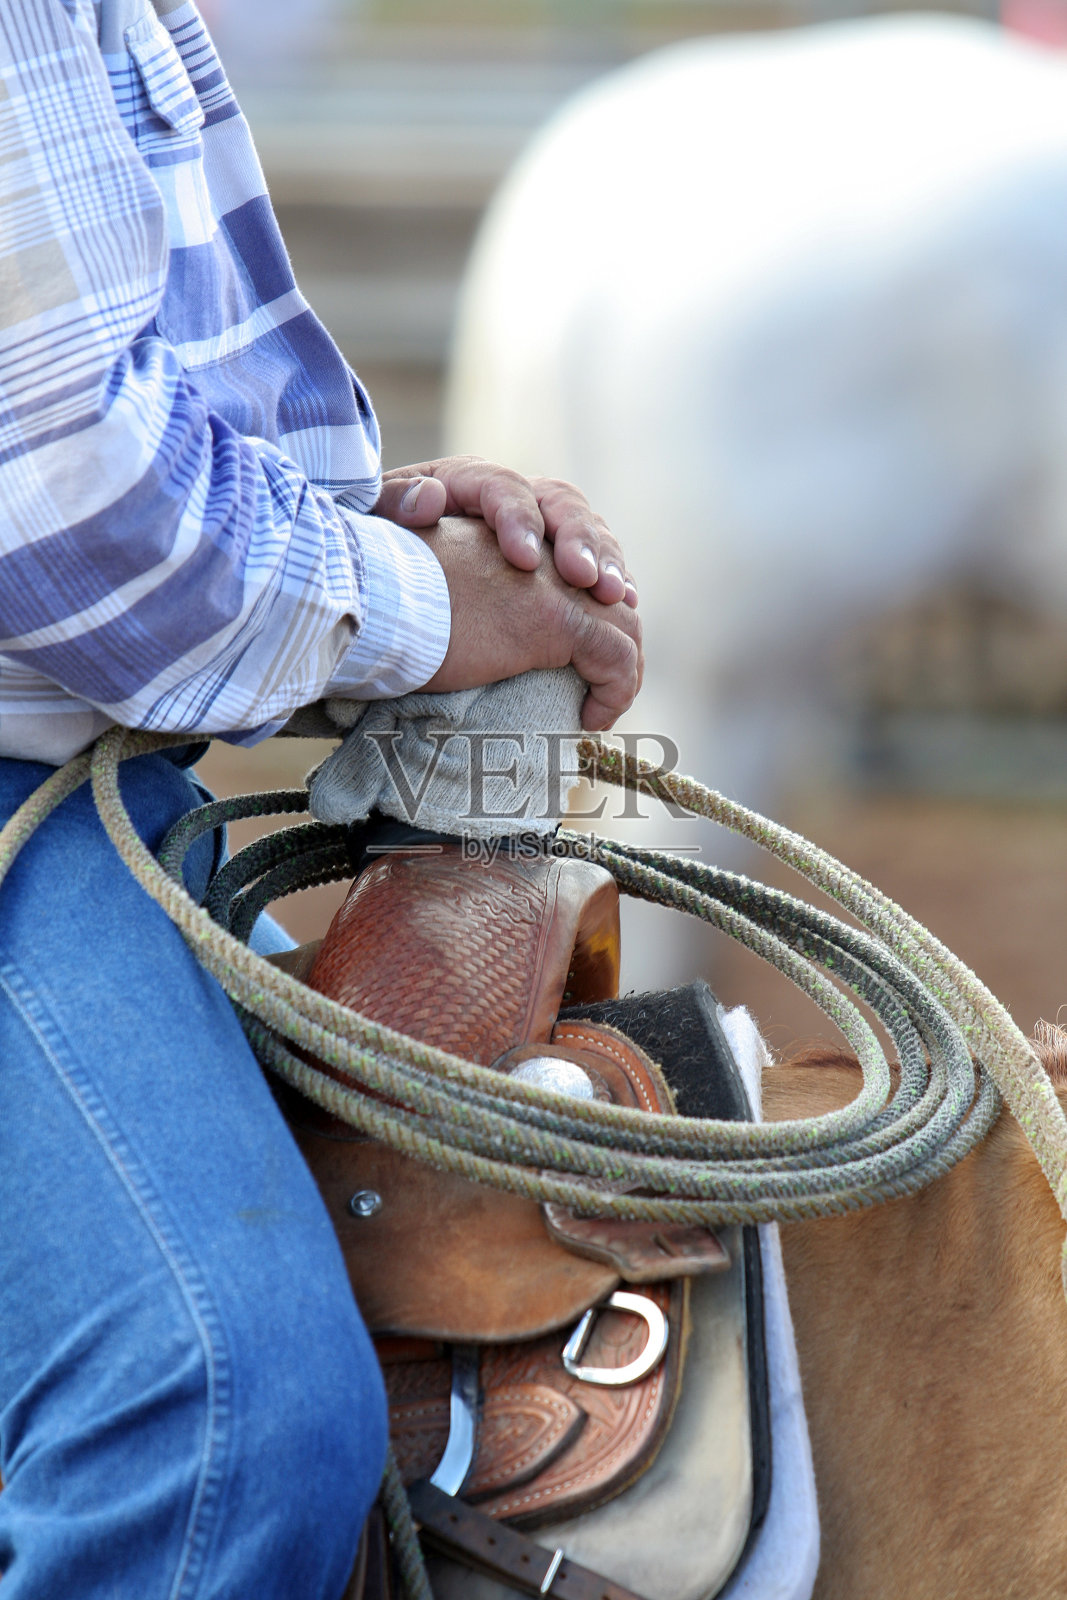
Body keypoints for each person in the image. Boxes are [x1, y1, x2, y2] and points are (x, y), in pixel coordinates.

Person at [0, 3, 642, 1596]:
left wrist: (362, 524)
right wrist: (418, 605)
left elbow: (103, 389)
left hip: (87, 779)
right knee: (219, 1416)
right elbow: (57, 494)